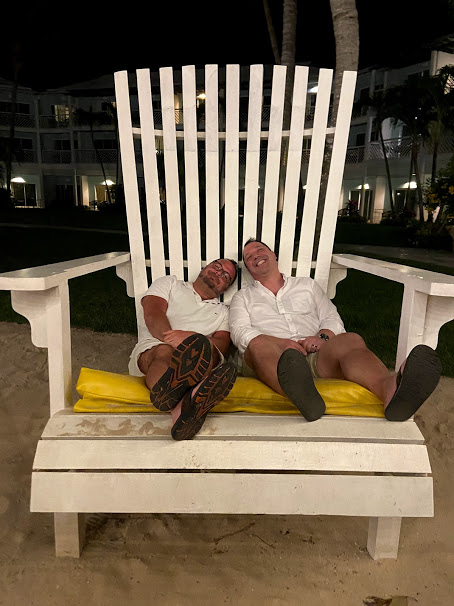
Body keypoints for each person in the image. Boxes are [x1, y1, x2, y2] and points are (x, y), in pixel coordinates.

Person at [229, 239, 441, 422]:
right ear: (249, 269)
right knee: (258, 343)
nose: (255, 256)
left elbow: (332, 318)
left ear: (273, 255)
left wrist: (322, 337)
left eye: (259, 250)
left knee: (350, 340)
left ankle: (390, 390)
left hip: (315, 355)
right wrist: (282, 343)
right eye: (249, 257)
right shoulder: (243, 297)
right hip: (270, 358)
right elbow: (240, 331)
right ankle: (304, 397)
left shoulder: (307, 286)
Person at [129, 259, 238, 439]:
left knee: (206, 350)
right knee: (164, 352)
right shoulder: (170, 283)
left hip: (200, 356)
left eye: (225, 276)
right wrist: (173, 340)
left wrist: (190, 340)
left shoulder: (224, 312)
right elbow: (153, 313)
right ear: (205, 268)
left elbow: (222, 344)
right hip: (156, 346)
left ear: (225, 288)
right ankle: (191, 397)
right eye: (217, 266)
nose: (218, 273)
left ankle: (179, 409)